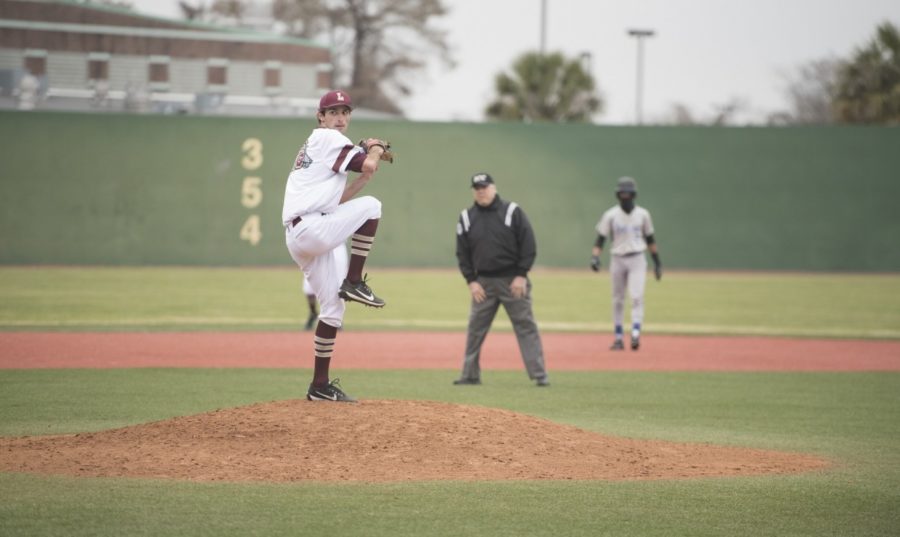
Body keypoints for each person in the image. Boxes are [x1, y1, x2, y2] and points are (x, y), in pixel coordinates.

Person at [283, 89, 389, 402]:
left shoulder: (318, 146)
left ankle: (319, 386)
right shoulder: (327, 138)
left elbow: (334, 201)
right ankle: (354, 280)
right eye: (333, 112)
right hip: (312, 228)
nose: (340, 117)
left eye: (345, 112)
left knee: (332, 309)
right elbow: (368, 163)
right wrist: (376, 147)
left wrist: (362, 179)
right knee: (373, 206)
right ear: (321, 117)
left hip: (301, 235)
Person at [453, 173, 549, 387]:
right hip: (483, 284)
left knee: (525, 326)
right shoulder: (467, 217)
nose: (481, 191)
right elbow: (462, 253)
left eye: (485, 187)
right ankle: (469, 375)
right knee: (475, 329)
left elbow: (528, 244)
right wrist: (471, 280)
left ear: (493, 188)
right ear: (473, 191)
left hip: (512, 281)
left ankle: (539, 374)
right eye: (477, 188)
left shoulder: (512, 212)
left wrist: (521, 275)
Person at [590, 176, 662, 351]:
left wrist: (657, 262)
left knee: (637, 297)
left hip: (637, 258)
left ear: (634, 195)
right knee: (618, 299)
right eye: (622, 193)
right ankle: (618, 337)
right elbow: (600, 239)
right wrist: (595, 257)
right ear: (617, 195)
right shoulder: (611, 215)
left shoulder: (643, 215)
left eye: (628, 193)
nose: (625, 196)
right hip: (618, 259)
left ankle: (636, 333)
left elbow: (650, 239)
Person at [301, 244, 348, 330]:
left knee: (339, 285)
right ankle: (313, 313)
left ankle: (336, 318)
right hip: (317, 244)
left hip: (337, 245)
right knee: (309, 287)